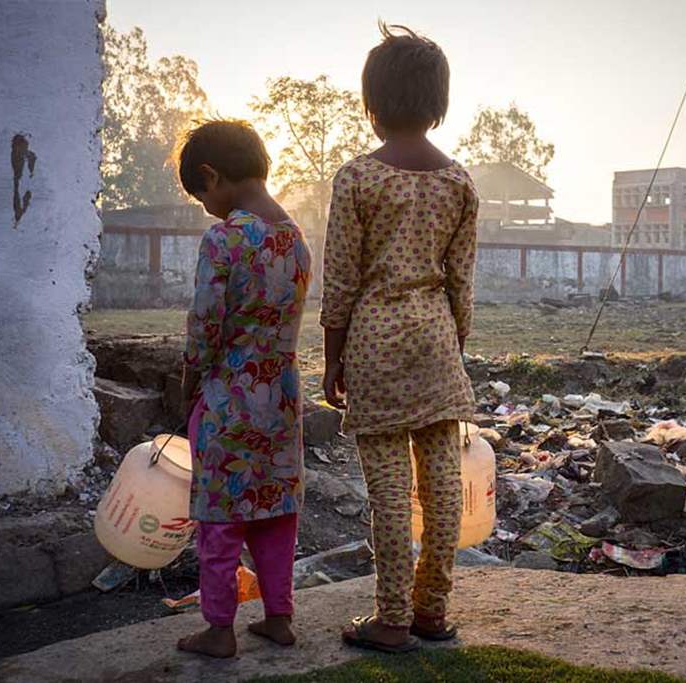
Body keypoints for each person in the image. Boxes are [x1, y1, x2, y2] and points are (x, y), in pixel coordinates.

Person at [321, 23, 479, 653]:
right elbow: (462, 283)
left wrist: (332, 362)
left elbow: (340, 279)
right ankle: (432, 612)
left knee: (388, 487)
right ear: (438, 102)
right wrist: (453, 347)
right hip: (436, 335)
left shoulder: (358, 178)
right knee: (441, 480)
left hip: (375, 341)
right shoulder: (459, 183)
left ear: (373, 102)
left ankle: (390, 618)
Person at [175, 120, 311, 658]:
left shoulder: (224, 237)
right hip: (281, 395)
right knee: (276, 511)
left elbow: (204, 324)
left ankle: (219, 629)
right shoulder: (296, 239)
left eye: (201, 195)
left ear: (212, 175)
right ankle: (279, 617)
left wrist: (189, 382)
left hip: (230, 397)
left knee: (220, 518)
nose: (207, 208)